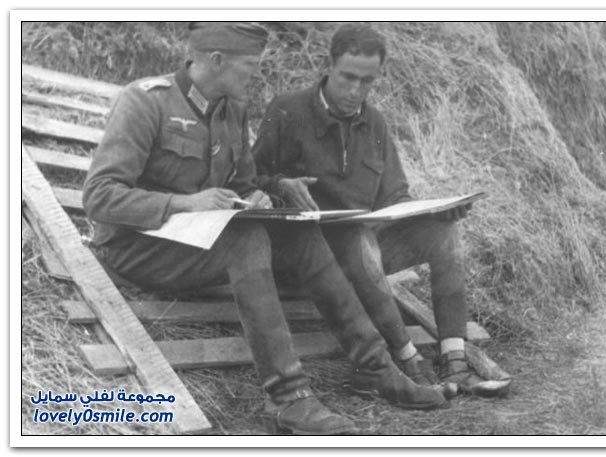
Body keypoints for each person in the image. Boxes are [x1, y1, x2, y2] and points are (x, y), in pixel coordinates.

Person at [83, 22, 446, 436]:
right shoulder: (145, 101)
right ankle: (288, 397)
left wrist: (265, 192)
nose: (256, 74)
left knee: (300, 234)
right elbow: (99, 196)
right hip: (135, 248)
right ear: (216, 60)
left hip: (195, 243)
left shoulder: (232, 109)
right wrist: (184, 203)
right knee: (246, 239)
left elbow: (242, 184)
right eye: (250, 65)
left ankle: (375, 368)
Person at [253, 23, 510, 397]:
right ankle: (407, 359)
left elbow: (395, 197)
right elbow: (248, 180)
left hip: (364, 255)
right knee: (357, 238)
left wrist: (432, 213)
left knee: (443, 234)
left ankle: (454, 360)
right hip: (305, 259)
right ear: (328, 66)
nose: (355, 91)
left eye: (367, 82)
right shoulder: (288, 110)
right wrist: (280, 185)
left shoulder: (374, 123)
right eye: (348, 77)